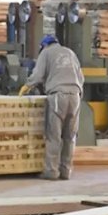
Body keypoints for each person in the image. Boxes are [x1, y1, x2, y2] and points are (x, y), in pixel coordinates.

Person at [19, 35, 84, 180]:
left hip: (58, 96)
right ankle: (66, 171)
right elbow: (81, 77)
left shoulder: (46, 53)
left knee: (54, 135)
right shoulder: (70, 52)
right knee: (70, 136)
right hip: (75, 96)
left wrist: (27, 86)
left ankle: (51, 171)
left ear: (44, 45)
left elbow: (38, 75)